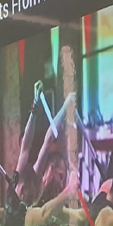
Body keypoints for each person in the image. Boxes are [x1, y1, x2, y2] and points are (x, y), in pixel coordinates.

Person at [14, 81, 75, 209]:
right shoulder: (21, 185)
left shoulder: (37, 186)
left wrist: (65, 106)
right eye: (61, 176)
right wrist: (35, 105)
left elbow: (46, 141)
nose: (61, 183)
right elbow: (26, 146)